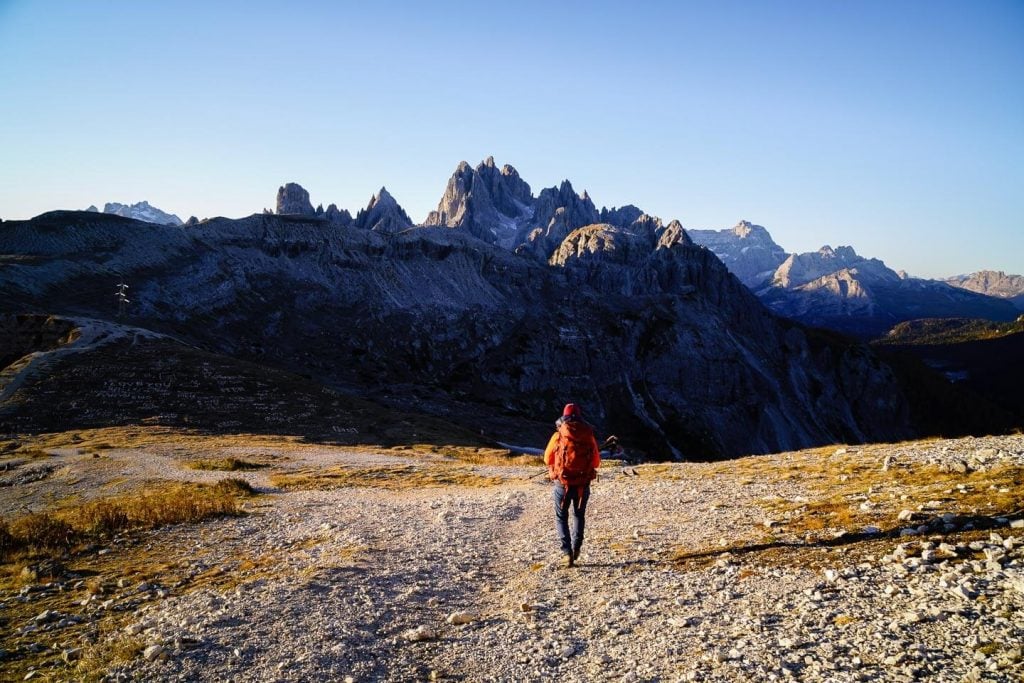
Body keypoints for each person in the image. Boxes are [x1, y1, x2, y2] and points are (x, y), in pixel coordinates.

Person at [543, 403, 601, 568]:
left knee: (561, 517)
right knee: (578, 515)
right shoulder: (588, 435)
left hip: (563, 483)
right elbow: (596, 462)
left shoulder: (558, 435)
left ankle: (566, 552)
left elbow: (547, 459)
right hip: (583, 484)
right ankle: (576, 548)